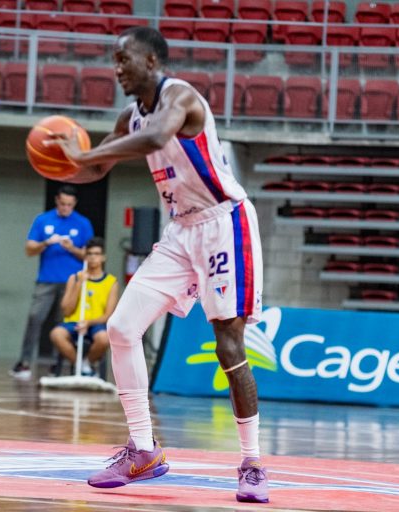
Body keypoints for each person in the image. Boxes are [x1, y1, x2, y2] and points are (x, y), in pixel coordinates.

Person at [48, 27, 267, 503]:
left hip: (224, 223)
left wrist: (87, 153)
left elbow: (155, 136)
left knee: (228, 345)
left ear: (151, 61)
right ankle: (143, 450)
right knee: (122, 328)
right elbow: (96, 168)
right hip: (181, 231)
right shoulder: (129, 116)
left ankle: (252, 463)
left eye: (123, 59)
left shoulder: (180, 97)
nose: (117, 69)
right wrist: (60, 162)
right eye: (114, 60)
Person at [10, 185, 93, 379]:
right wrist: (46, 242)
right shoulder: (43, 220)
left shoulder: (83, 223)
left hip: (72, 282)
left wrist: (72, 248)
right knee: (35, 317)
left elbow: (90, 256)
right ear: (57, 201)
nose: (65, 208)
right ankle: (24, 362)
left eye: (69, 205)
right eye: (63, 204)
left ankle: (57, 364)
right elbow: (29, 249)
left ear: (75, 204)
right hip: (46, 280)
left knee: (63, 323)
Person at [50, 237, 119, 376]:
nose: (93, 258)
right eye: (89, 254)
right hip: (74, 322)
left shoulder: (111, 282)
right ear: (85, 257)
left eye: (97, 254)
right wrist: (79, 284)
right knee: (56, 334)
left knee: (104, 339)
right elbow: (66, 310)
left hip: (96, 324)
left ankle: (87, 363)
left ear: (103, 257)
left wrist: (88, 323)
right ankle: (80, 366)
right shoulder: (75, 278)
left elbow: (108, 315)